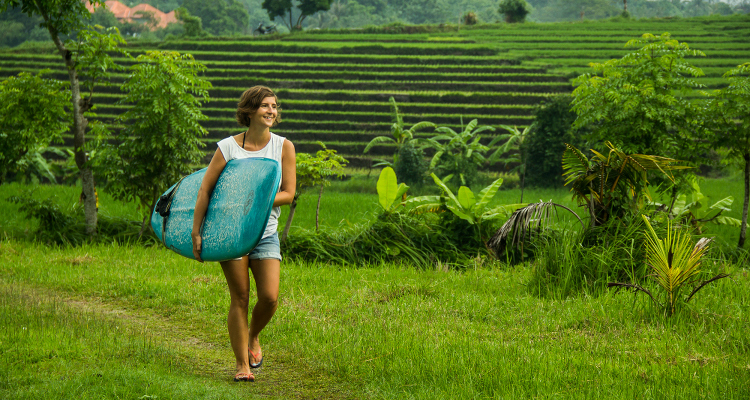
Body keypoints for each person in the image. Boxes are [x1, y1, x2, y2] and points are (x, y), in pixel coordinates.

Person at [191, 86, 296, 382]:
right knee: (240, 296)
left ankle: (252, 337)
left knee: (270, 297)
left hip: (266, 232)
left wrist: (256, 201)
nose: (271, 111)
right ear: (249, 110)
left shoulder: (283, 147)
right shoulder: (228, 147)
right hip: (231, 232)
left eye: (274, 106)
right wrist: (197, 231)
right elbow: (205, 189)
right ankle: (242, 366)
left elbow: (288, 193)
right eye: (265, 106)